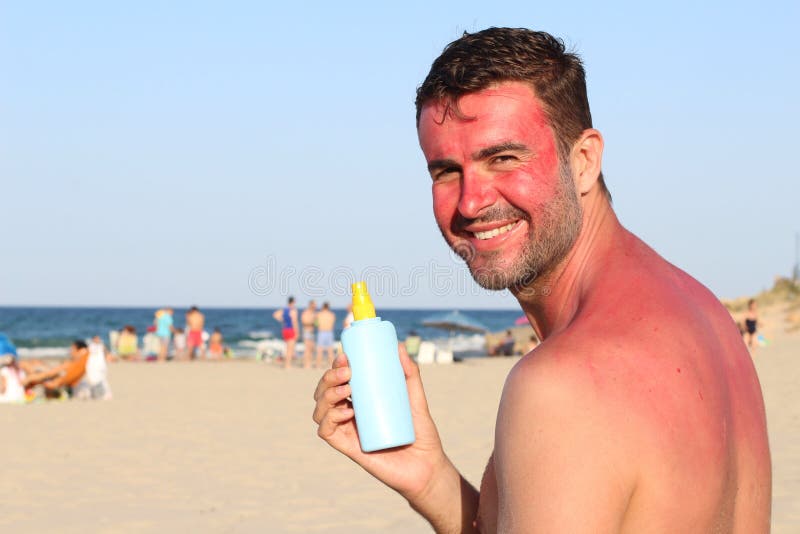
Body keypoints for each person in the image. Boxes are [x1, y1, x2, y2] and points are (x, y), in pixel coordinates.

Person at [313, 28, 771, 533]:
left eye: (503, 158)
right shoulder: (707, 317)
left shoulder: (563, 385)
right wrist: (430, 479)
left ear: (584, 161)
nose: (470, 202)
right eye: (446, 170)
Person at [24, 340, 90, 398]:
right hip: (62, 385)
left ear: (81, 351)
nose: (71, 352)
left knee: (30, 368)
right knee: (36, 363)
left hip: (58, 387)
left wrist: (30, 378)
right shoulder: (81, 363)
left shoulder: (71, 364)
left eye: (73, 349)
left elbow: (49, 375)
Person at [273, 297, 299, 369]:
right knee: (290, 349)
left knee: (287, 348)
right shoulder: (293, 311)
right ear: (293, 302)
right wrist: (297, 332)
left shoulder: (284, 310)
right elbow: (294, 322)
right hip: (291, 329)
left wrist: (282, 320)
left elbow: (275, 315)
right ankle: (288, 365)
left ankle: (286, 364)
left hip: (285, 329)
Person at [0, 333, 26, 403]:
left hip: (7, 398)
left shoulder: (4, 371)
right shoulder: (20, 371)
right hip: (17, 398)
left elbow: (2, 388)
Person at [314, 302, 337, 369]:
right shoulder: (332, 315)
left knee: (319, 350)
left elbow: (316, 324)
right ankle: (332, 366)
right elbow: (333, 323)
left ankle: (318, 366)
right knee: (330, 350)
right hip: (329, 332)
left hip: (321, 332)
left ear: (323, 307)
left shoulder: (319, 314)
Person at [301, 300, 318, 369]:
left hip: (312, 333)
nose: (315, 307)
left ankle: (309, 363)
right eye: (314, 305)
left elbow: (316, 323)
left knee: (311, 349)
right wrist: (312, 322)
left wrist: (316, 323)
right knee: (307, 349)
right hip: (306, 332)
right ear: (311, 305)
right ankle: (306, 364)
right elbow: (304, 322)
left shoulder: (314, 313)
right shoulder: (306, 312)